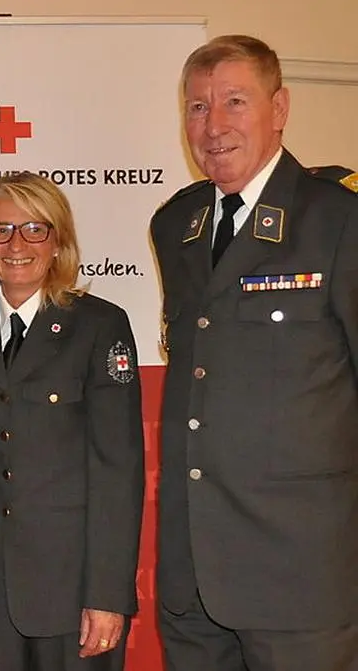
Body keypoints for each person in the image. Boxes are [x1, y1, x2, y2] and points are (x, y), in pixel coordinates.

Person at [151, 34, 358, 671]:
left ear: (280, 108)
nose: (213, 126)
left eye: (235, 102)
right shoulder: (176, 226)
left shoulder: (338, 219)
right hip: (192, 571)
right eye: (197, 107)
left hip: (300, 571)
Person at [0, 172, 144, 671]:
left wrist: (107, 593)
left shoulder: (99, 326)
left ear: (58, 241)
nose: (16, 245)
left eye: (34, 229)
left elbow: (118, 469)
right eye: (0, 230)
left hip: (70, 585)